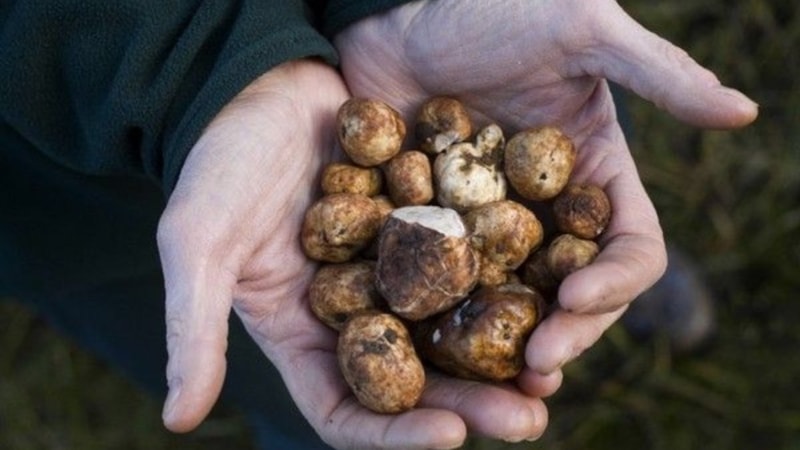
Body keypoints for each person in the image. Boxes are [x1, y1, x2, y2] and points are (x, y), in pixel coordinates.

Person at [0, 1, 757, 448]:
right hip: (81, 172)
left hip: (464, 57)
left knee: (581, 177)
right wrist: (199, 72)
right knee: (286, 360)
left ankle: (590, 285)